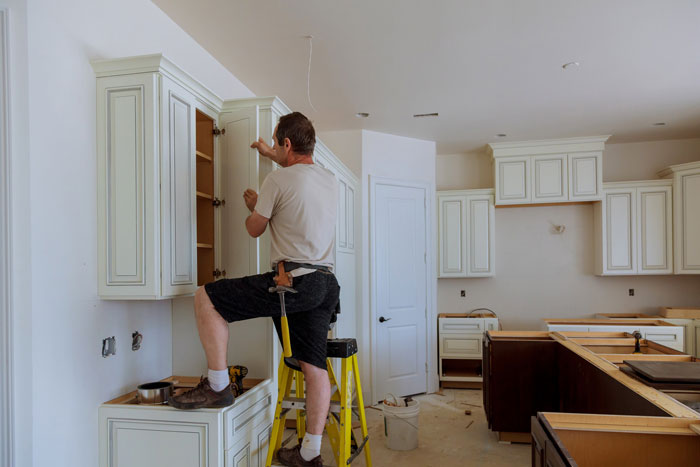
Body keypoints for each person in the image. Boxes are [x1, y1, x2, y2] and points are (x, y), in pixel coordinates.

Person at [170, 112, 339, 467]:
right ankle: (310, 454)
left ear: (288, 144)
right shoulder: (328, 178)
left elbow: (254, 229)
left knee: (206, 297)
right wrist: (269, 152)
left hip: (293, 281)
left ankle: (218, 385)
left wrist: (254, 206)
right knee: (314, 367)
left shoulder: (278, 181)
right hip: (325, 283)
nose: (275, 148)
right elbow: (297, 178)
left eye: (278, 142)